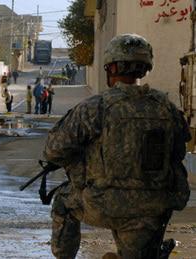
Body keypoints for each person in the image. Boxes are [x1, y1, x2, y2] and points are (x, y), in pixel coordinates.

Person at [43, 34, 191, 258]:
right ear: (144, 69)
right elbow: (178, 153)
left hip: (102, 204)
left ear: (111, 68)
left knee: (63, 201)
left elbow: (54, 151)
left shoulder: (96, 106)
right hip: (152, 207)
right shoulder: (166, 108)